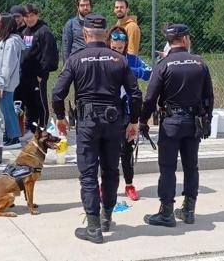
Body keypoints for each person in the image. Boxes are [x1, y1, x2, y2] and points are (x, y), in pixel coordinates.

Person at [52, 13, 142, 244]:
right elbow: (135, 93)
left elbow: (57, 93)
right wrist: (133, 121)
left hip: (88, 123)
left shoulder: (76, 58)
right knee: (111, 171)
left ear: (84, 33)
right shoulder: (118, 59)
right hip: (113, 122)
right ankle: (106, 218)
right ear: (105, 35)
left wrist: (61, 118)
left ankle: (93, 228)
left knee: (88, 175)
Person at [140, 23, 214, 227]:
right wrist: (207, 119)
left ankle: (167, 212)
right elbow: (208, 96)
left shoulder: (163, 64)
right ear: (184, 39)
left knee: (167, 168)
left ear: (170, 41)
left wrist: (142, 121)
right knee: (192, 166)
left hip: (171, 123)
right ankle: (189, 210)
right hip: (194, 123)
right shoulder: (200, 63)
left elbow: (150, 98)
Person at [108, 25, 151, 201]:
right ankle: (107, 185)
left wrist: (128, 70)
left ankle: (129, 184)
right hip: (108, 110)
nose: (117, 51)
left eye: (120, 48)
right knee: (108, 151)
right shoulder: (104, 58)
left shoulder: (132, 60)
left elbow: (149, 73)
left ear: (125, 46)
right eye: (114, 48)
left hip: (127, 111)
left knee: (127, 149)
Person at [17, 4, 58, 137]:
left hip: (38, 76)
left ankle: (41, 129)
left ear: (37, 15)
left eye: (32, 16)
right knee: (29, 104)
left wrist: (42, 74)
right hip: (25, 75)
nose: (29, 19)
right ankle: (30, 129)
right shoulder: (24, 32)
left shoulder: (44, 31)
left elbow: (48, 55)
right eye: (26, 16)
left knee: (39, 103)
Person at [0, 13, 25, 148]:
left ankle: (14, 138)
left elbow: (7, 66)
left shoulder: (11, 42)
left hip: (6, 84)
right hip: (3, 83)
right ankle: (10, 134)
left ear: (5, 24)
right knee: (6, 109)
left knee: (8, 109)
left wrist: (1, 84)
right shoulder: (5, 40)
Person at [62, 0, 92, 64]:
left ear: (90, 6)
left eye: (87, 5)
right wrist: (66, 67)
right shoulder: (70, 24)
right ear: (77, 7)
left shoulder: (97, 22)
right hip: (77, 63)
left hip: (93, 62)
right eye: (82, 5)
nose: (85, 8)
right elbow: (66, 47)